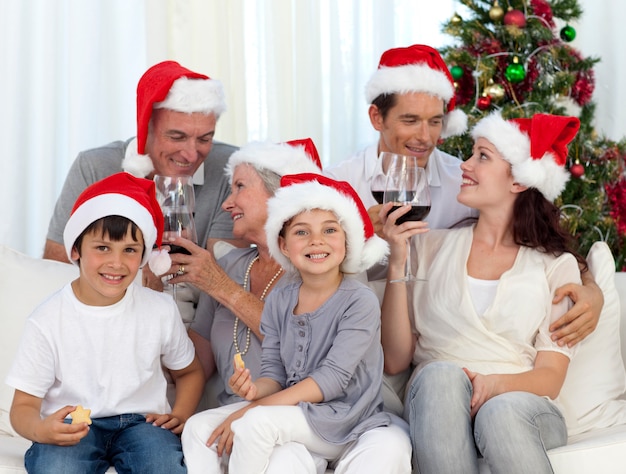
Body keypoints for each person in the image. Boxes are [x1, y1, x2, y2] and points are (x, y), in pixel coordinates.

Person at [325, 43, 602, 349]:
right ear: (377, 118)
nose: (425, 137)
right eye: (410, 120)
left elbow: (539, 237)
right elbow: (303, 264)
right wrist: (357, 234)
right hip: (351, 333)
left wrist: (592, 289)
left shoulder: (464, 182)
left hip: (424, 337)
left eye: (435, 121)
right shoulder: (338, 183)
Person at [380, 113, 584, 473]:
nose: (466, 165)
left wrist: (492, 387)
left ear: (519, 181)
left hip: (522, 406)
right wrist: (398, 262)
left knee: (500, 410)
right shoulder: (429, 247)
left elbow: (550, 376)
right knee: (440, 376)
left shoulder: (555, 266)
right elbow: (396, 361)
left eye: (483, 156)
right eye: (471, 154)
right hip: (436, 401)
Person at [182, 173, 411, 473]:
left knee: (255, 423)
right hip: (295, 413)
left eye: (330, 230)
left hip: (345, 418)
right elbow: (274, 374)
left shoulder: (359, 301)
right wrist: (254, 390)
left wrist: (255, 408)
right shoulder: (281, 299)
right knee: (198, 428)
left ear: (347, 241)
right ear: (284, 245)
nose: (316, 240)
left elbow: (331, 380)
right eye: (302, 232)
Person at [6, 172, 205, 473]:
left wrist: (181, 413)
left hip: (143, 425)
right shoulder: (47, 320)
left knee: (163, 464)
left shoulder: (159, 310)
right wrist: (41, 430)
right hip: (75, 424)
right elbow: (23, 407)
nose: (116, 262)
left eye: (129, 250)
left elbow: (190, 372)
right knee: (56, 467)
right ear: (76, 250)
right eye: (102, 248)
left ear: (143, 256)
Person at [44, 60, 240, 264]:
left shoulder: (229, 167)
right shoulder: (94, 167)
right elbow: (58, 266)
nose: (191, 155)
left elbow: (225, 273)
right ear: (145, 129)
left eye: (204, 139)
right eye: (177, 137)